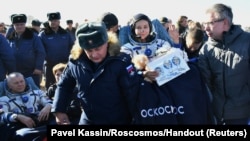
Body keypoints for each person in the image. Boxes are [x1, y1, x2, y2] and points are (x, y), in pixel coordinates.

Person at [51, 21, 140, 125]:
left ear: (107, 43)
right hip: (89, 119)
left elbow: (133, 94)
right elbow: (64, 86)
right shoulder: (75, 62)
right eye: (89, 50)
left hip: (118, 120)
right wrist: (59, 110)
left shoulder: (120, 62)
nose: (94, 54)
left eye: (98, 49)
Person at [198, 3, 250, 125]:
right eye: (204, 24)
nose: (206, 28)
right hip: (216, 113)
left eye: (210, 23)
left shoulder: (247, 42)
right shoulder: (205, 49)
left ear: (225, 23)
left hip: (243, 113)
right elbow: (206, 83)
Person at [0, 72, 53, 140]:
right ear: (9, 85)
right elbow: (1, 116)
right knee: (23, 135)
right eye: (16, 83)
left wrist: (48, 106)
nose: (20, 84)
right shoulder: (4, 100)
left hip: (40, 121)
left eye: (22, 81)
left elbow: (51, 102)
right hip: (20, 126)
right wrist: (17, 117)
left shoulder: (38, 93)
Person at [6, 14, 46, 88]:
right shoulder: (10, 38)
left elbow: (41, 52)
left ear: (25, 24)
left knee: (34, 92)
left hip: (31, 72)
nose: (19, 26)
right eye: (17, 24)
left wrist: (38, 67)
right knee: (16, 93)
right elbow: (6, 54)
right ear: (13, 25)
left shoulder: (33, 36)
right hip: (15, 72)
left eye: (21, 24)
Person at [38, 12, 74, 90]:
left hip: (64, 65)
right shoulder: (43, 35)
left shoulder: (65, 34)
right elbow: (40, 51)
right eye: (51, 20)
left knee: (66, 85)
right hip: (50, 65)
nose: (53, 22)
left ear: (59, 22)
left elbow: (72, 47)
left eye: (55, 20)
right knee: (50, 86)